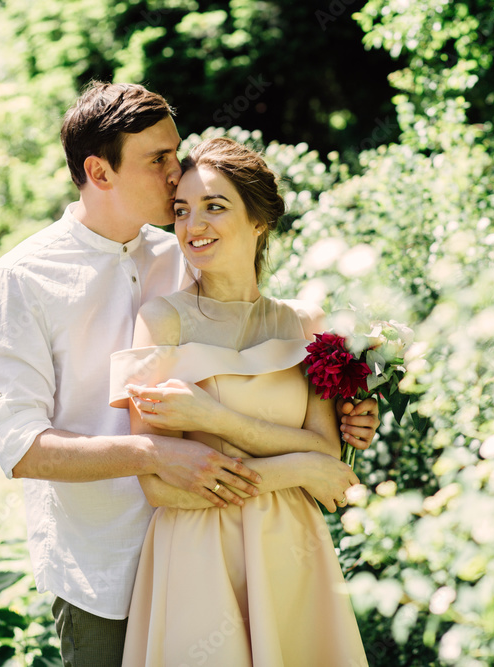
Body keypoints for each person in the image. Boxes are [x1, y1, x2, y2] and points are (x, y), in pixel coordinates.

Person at [0, 82, 380, 667]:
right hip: (105, 562)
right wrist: (154, 453)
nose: (176, 173)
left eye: (176, 152)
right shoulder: (23, 278)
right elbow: (21, 447)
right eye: (159, 159)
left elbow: (257, 358)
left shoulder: (185, 253)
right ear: (99, 171)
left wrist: (345, 405)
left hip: (231, 538)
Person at [110, 137, 370, 666]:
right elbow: (159, 486)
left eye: (214, 206)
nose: (193, 225)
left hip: (291, 543)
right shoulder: (161, 321)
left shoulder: (305, 322)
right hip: (198, 549)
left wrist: (214, 418)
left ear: (259, 220)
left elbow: (328, 452)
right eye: (181, 210)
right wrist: (300, 467)